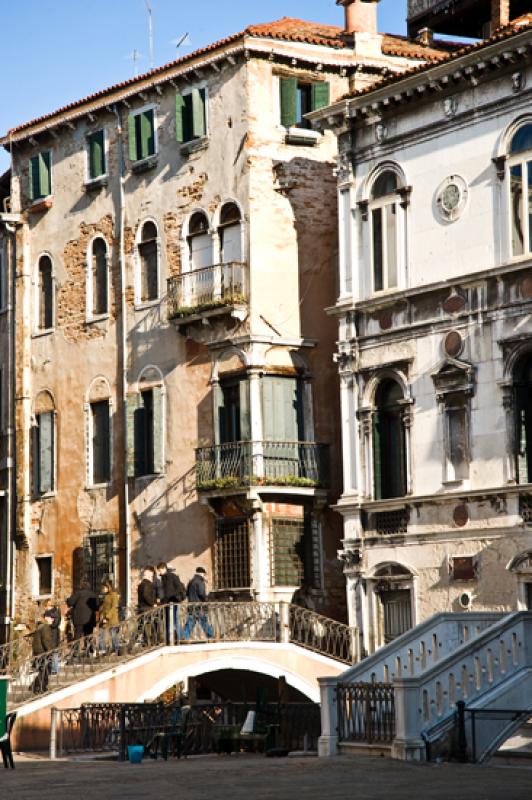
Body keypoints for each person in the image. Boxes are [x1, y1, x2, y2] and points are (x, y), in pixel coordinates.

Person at [157, 562, 186, 644]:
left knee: (172, 621)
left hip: (171, 602)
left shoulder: (168, 577)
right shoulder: (166, 577)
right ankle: (175, 638)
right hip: (171, 601)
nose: (159, 572)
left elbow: (169, 592)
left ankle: (178, 638)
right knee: (172, 621)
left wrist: (163, 601)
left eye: (160, 570)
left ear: (164, 568)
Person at [183, 567, 214, 640]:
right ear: (202, 573)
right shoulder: (200, 581)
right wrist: (206, 600)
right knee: (203, 621)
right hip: (199, 606)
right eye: (205, 575)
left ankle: (185, 636)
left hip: (191, 605)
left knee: (191, 622)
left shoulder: (191, 581)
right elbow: (201, 593)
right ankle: (211, 636)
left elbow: (186, 593)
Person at [32, 611, 55, 693]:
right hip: (43, 652)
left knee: (43, 670)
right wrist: (50, 651)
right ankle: (40, 687)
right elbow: (46, 640)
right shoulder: (45, 627)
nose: (53, 619)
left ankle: (39, 687)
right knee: (45, 670)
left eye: (53, 618)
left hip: (38, 652)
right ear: (46, 618)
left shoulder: (40, 626)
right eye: (51, 618)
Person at [98, 580, 120, 654]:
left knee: (113, 633)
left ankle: (116, 648)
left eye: (104, 587)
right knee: (101, 633)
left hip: (111, 618)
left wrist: (107, 617)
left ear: (108, 587)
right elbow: (104, 607)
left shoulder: (114, 595)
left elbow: (114, 607)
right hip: (103, 618)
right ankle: (102, 649)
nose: (103, 589)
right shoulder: (106, 595)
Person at [137, 567, 157, 645]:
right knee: (152, 626)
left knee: (141, 627)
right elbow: (146, 595)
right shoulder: (148, 584)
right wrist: (153, 603)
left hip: (141, 608)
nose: (152, 578)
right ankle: (153, 642)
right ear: (149, 576)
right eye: (151, 576)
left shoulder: (141, 584)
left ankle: (146, 642)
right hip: (147, 608)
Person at [44, 598, 61, 674]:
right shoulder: (54, 612)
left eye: (46, 605)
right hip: (51, 633)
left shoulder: (53, 612)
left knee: (54, 652)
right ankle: (52, 668)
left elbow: (55, 623)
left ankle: (54, 669)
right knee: (52, 652)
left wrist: (49, 621)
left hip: (53, 634)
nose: (45, 607)